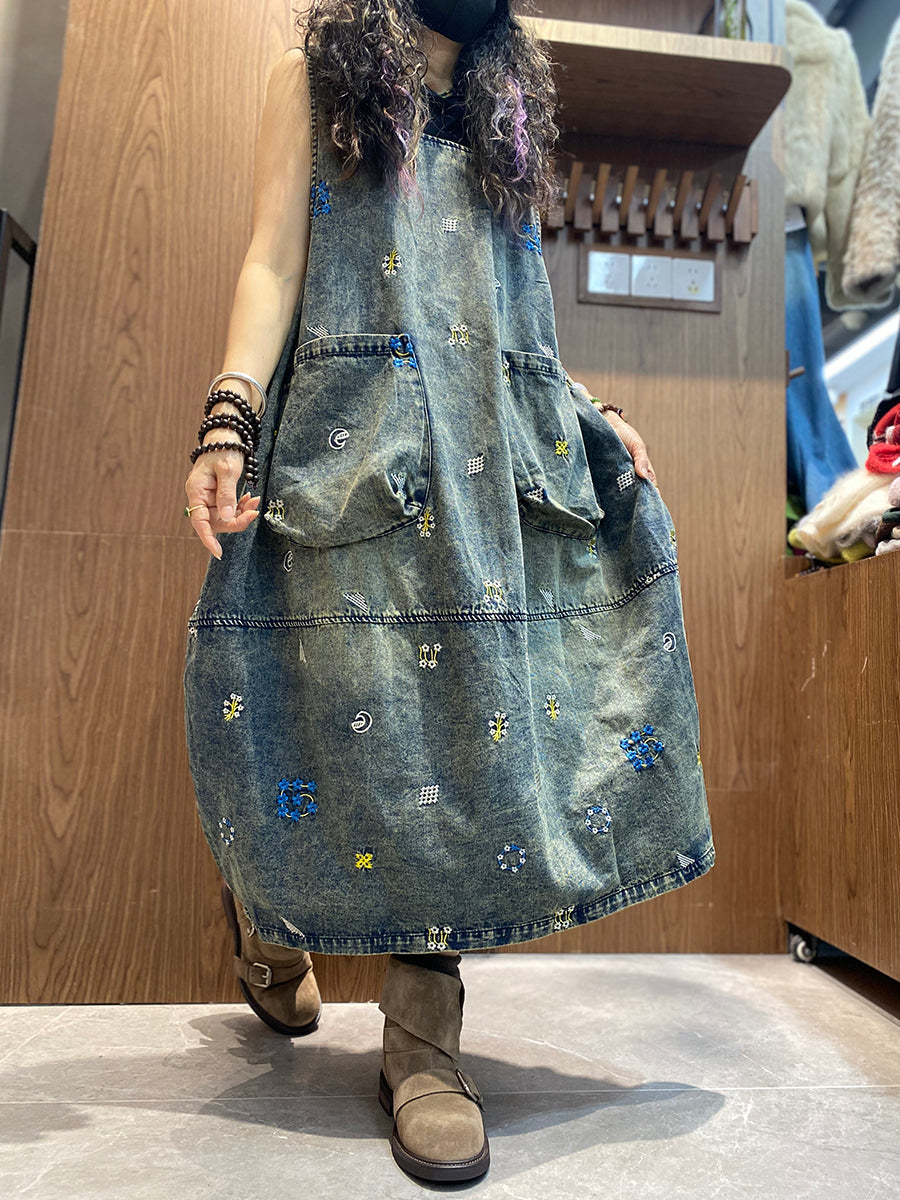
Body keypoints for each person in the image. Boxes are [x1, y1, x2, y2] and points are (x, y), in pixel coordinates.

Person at [182, 0, 715, 1183]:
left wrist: (583, 403)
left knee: (469, 747)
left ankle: (423, 1040)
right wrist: (230, 412)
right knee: (317, 718)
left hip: (491, 461)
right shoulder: (309, 78)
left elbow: (509, 303)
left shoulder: (507, 105)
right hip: (351, 445)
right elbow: (274, 258)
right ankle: (270, 914)